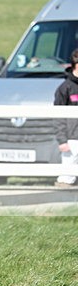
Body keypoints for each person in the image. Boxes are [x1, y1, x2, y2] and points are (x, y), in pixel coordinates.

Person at [54, 48, 78, 186]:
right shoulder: (65, 88)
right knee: (66, 178)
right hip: (72, 139)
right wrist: (62, 140)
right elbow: (58, 117)